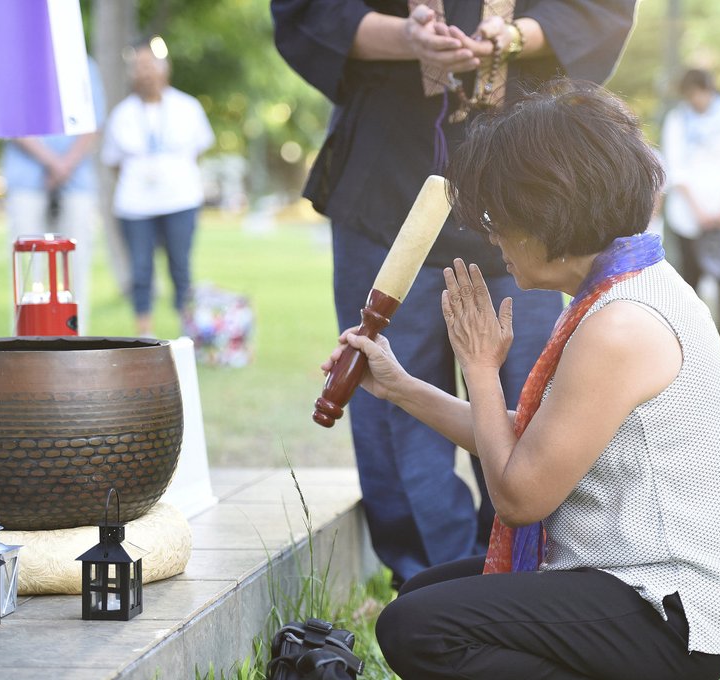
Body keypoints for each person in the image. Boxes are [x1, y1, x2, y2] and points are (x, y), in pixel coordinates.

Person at [323, 79, 720, 679]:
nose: (492, 235)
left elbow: (521, 496)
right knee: (419, 595)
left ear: (547, 214)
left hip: (667, 612)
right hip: (617, 573)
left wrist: (480, 368)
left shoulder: (621, 326)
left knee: (418, 628)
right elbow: (528, 442)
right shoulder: (621, 286)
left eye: (498, 217)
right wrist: (398, 384)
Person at [272, 0, 638, 588]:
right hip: (388, 173)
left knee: (534, 388)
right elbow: (309, 12)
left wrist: (513, 36)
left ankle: (525, 572)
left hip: (526, 179)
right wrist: (407, 38)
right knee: (394, 401)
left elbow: (599, 10)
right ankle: (428, 578)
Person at [100, 40, 215, 337]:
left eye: (150, 65)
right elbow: (113, 162)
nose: (145, 73)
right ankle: (144, 333)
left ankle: (185, 331)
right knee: (140, 270)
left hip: (179, 199)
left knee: (180, 266)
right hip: (136, 205)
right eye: (138, 67)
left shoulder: (188, 107)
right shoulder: (122, 114)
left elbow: (199, 149)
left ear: (165, 69)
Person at [2, 56, 106, 334]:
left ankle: (75, 337)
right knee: (27, 268)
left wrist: (65, 165)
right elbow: (11, 123)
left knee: (75, 265)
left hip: (76, 180)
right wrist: (52, 162)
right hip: (27, 179)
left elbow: (93, 124)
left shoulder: (86, 67)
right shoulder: (19, 63)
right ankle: (26, 340)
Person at [662, 68, 720, 354]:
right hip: (689, 217)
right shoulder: (678, 120)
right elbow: (676, 168)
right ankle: (695, 342)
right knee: (691, 282)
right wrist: (698, 210)